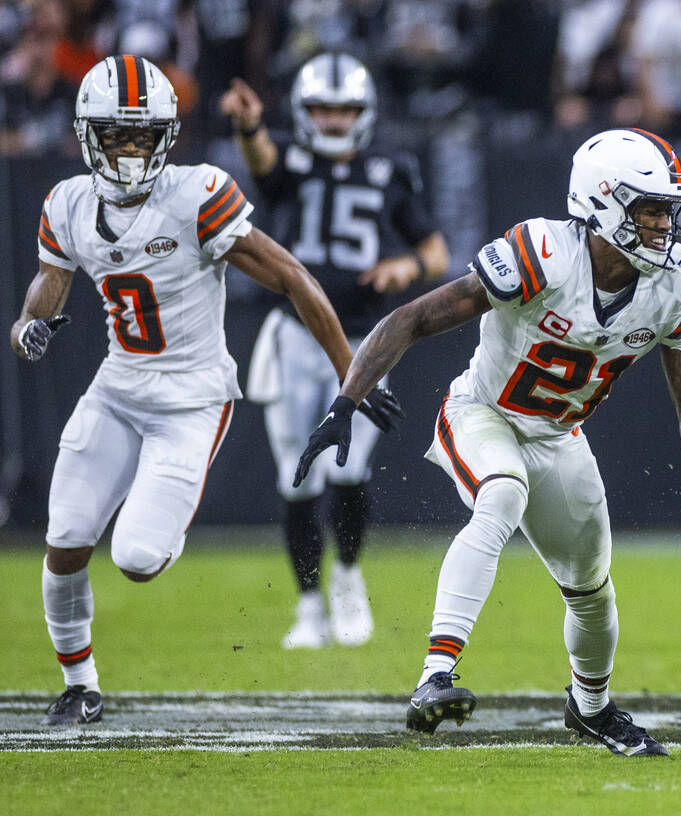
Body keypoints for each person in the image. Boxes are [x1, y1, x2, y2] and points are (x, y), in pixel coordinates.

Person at [294, 128, 681, 757]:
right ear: (603, 202)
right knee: (500, 494)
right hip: (484, 413)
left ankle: (591, 710)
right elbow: (413, 317)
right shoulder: (543, 253)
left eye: (669, 209)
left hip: (560, 435)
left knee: (592, 587)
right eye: (650, 208)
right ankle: (435, 676)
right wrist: (347, 399)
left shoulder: (676, 284)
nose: (665, 224)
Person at [12, 55, 401, 726]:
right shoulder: (68, 203)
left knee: (137, 558)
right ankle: (80, 685)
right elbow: (40, 299)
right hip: (118, 387)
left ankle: (168, 513)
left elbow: (293, 278)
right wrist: (26, 331)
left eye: (143, 135)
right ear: (87, 136)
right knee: (66, 537)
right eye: (117, 134)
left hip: (192, 397)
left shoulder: (194, 194)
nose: (131, 150)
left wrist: (351, 372)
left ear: (166, 137)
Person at [220, 53, 450, 650]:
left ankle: (346, 578)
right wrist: (248, 127)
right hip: (295, 339)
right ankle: (307, 605)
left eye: (343, 109)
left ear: (364, 112)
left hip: (365, 343)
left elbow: (436, 251)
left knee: (348, 468)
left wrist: (407, 264)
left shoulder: (388, 169)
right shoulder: (290, 161)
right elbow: (264, 162)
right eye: (321, 108)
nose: (332, 119)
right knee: (297, 476)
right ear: (302, 112)